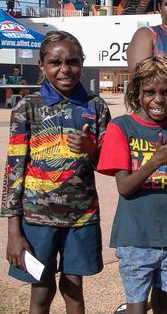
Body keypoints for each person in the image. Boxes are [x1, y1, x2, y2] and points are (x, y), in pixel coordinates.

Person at [2, 31, 111, 313]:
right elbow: (14, 170)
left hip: (82, 217)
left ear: (82, 63)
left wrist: (91, 147)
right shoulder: (28, 107)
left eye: (73, 62)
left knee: (74, 288)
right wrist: (14, 231)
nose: (65, 69)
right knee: (41, 291)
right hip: (37, 220)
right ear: (42, 65)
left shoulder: (96, 107)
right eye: (55, 62)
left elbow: (107, 164)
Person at [97, 55, 167, 314]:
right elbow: (125, 187)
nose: (158, 100)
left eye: (166, 92)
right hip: (135, 236)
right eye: (150, 92)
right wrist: (156, 160)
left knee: (164, 303)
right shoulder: (121, 127)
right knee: (137, 305)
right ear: (137, 93)